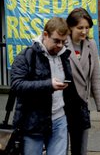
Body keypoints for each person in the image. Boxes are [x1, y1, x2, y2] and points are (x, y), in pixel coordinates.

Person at [10, 17, 72, 155]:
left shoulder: (64, 56)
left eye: (63, 41)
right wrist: (48, 85)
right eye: (56, 41)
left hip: (59, 118)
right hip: (33, 121)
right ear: (45, 35)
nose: (60, 45)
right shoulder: (27, 56)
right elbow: (17, 85)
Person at [65, 7, 100, 155]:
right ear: (70, 27)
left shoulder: (92, 45)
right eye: (80, 28)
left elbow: (96, 78)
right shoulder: (61, 44)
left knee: (80, 150)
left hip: (81, 106)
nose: (84, 31)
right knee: (60, 149)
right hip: (62, 105)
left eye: (87, 28)